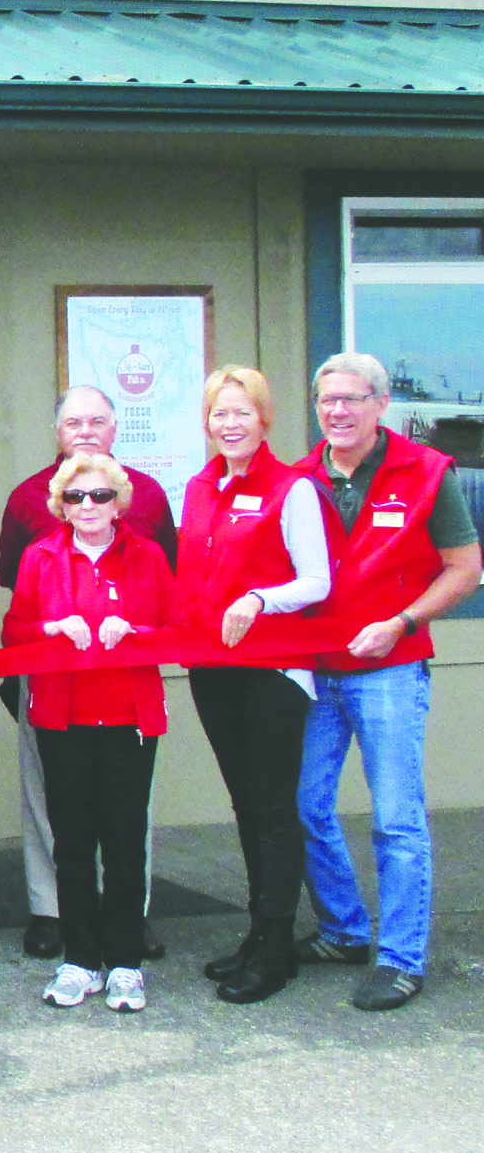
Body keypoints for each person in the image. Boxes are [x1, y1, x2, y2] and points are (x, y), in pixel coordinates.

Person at [293, 352, 481, 1011]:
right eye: (326, 400)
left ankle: (401, 959)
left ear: (380, 404)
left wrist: (401, 622)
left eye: (350, 399)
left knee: (397, 818)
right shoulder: (299, 480)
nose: (337, 411)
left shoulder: (426, 473)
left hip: (390, 670)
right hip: (317, 671)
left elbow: (464, 569)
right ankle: (345, 928)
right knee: (304, 805)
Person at [0, 385, 178, 963]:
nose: (85, 430)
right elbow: (15, 603)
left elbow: (169, 596)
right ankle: (53, 913)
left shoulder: (148, 499)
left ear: (115, 426)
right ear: (57, 430)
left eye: (97, 420)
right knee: (53, 805)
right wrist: (50, 628)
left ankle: (130, 919)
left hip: (127, 691)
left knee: (126, 819)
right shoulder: (28, 499)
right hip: (52, 687)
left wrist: (137, 632)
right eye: (74, 421)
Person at [179, 365, 331, 1005]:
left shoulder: (291, 488)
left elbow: (316, 580)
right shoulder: (199, 487)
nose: (230, 424)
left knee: (272, 808)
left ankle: (276, 945)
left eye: (242, 412)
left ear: (263, 418)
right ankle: (257, 932)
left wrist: (260, 599)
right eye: (219, 413)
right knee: (245, 804)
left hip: (273, 671)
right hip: (213, 670)